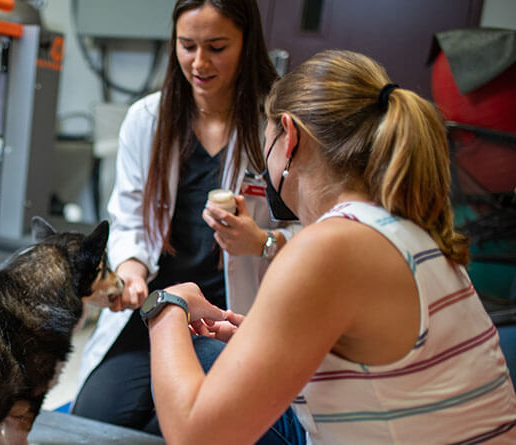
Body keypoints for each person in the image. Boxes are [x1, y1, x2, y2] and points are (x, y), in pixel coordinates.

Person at [146, 49, 516, 443]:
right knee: (217, 356)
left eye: (265, 140)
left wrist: (166, 305)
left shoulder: (330, 246)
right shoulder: (408, 228)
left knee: (198, 359)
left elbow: (195, 437)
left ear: (289, 137)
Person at [72, 0, 297, 437]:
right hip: (155, 311)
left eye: (216, 47)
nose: (199, 62)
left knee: (176, 428)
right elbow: (129, 217)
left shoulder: (275, 125)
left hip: (225, 319)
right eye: (187, 45)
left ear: (247, 43)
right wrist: (133, 270)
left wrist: (261, 243)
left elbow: (308, 231)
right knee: (91, 425)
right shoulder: (147, 120)